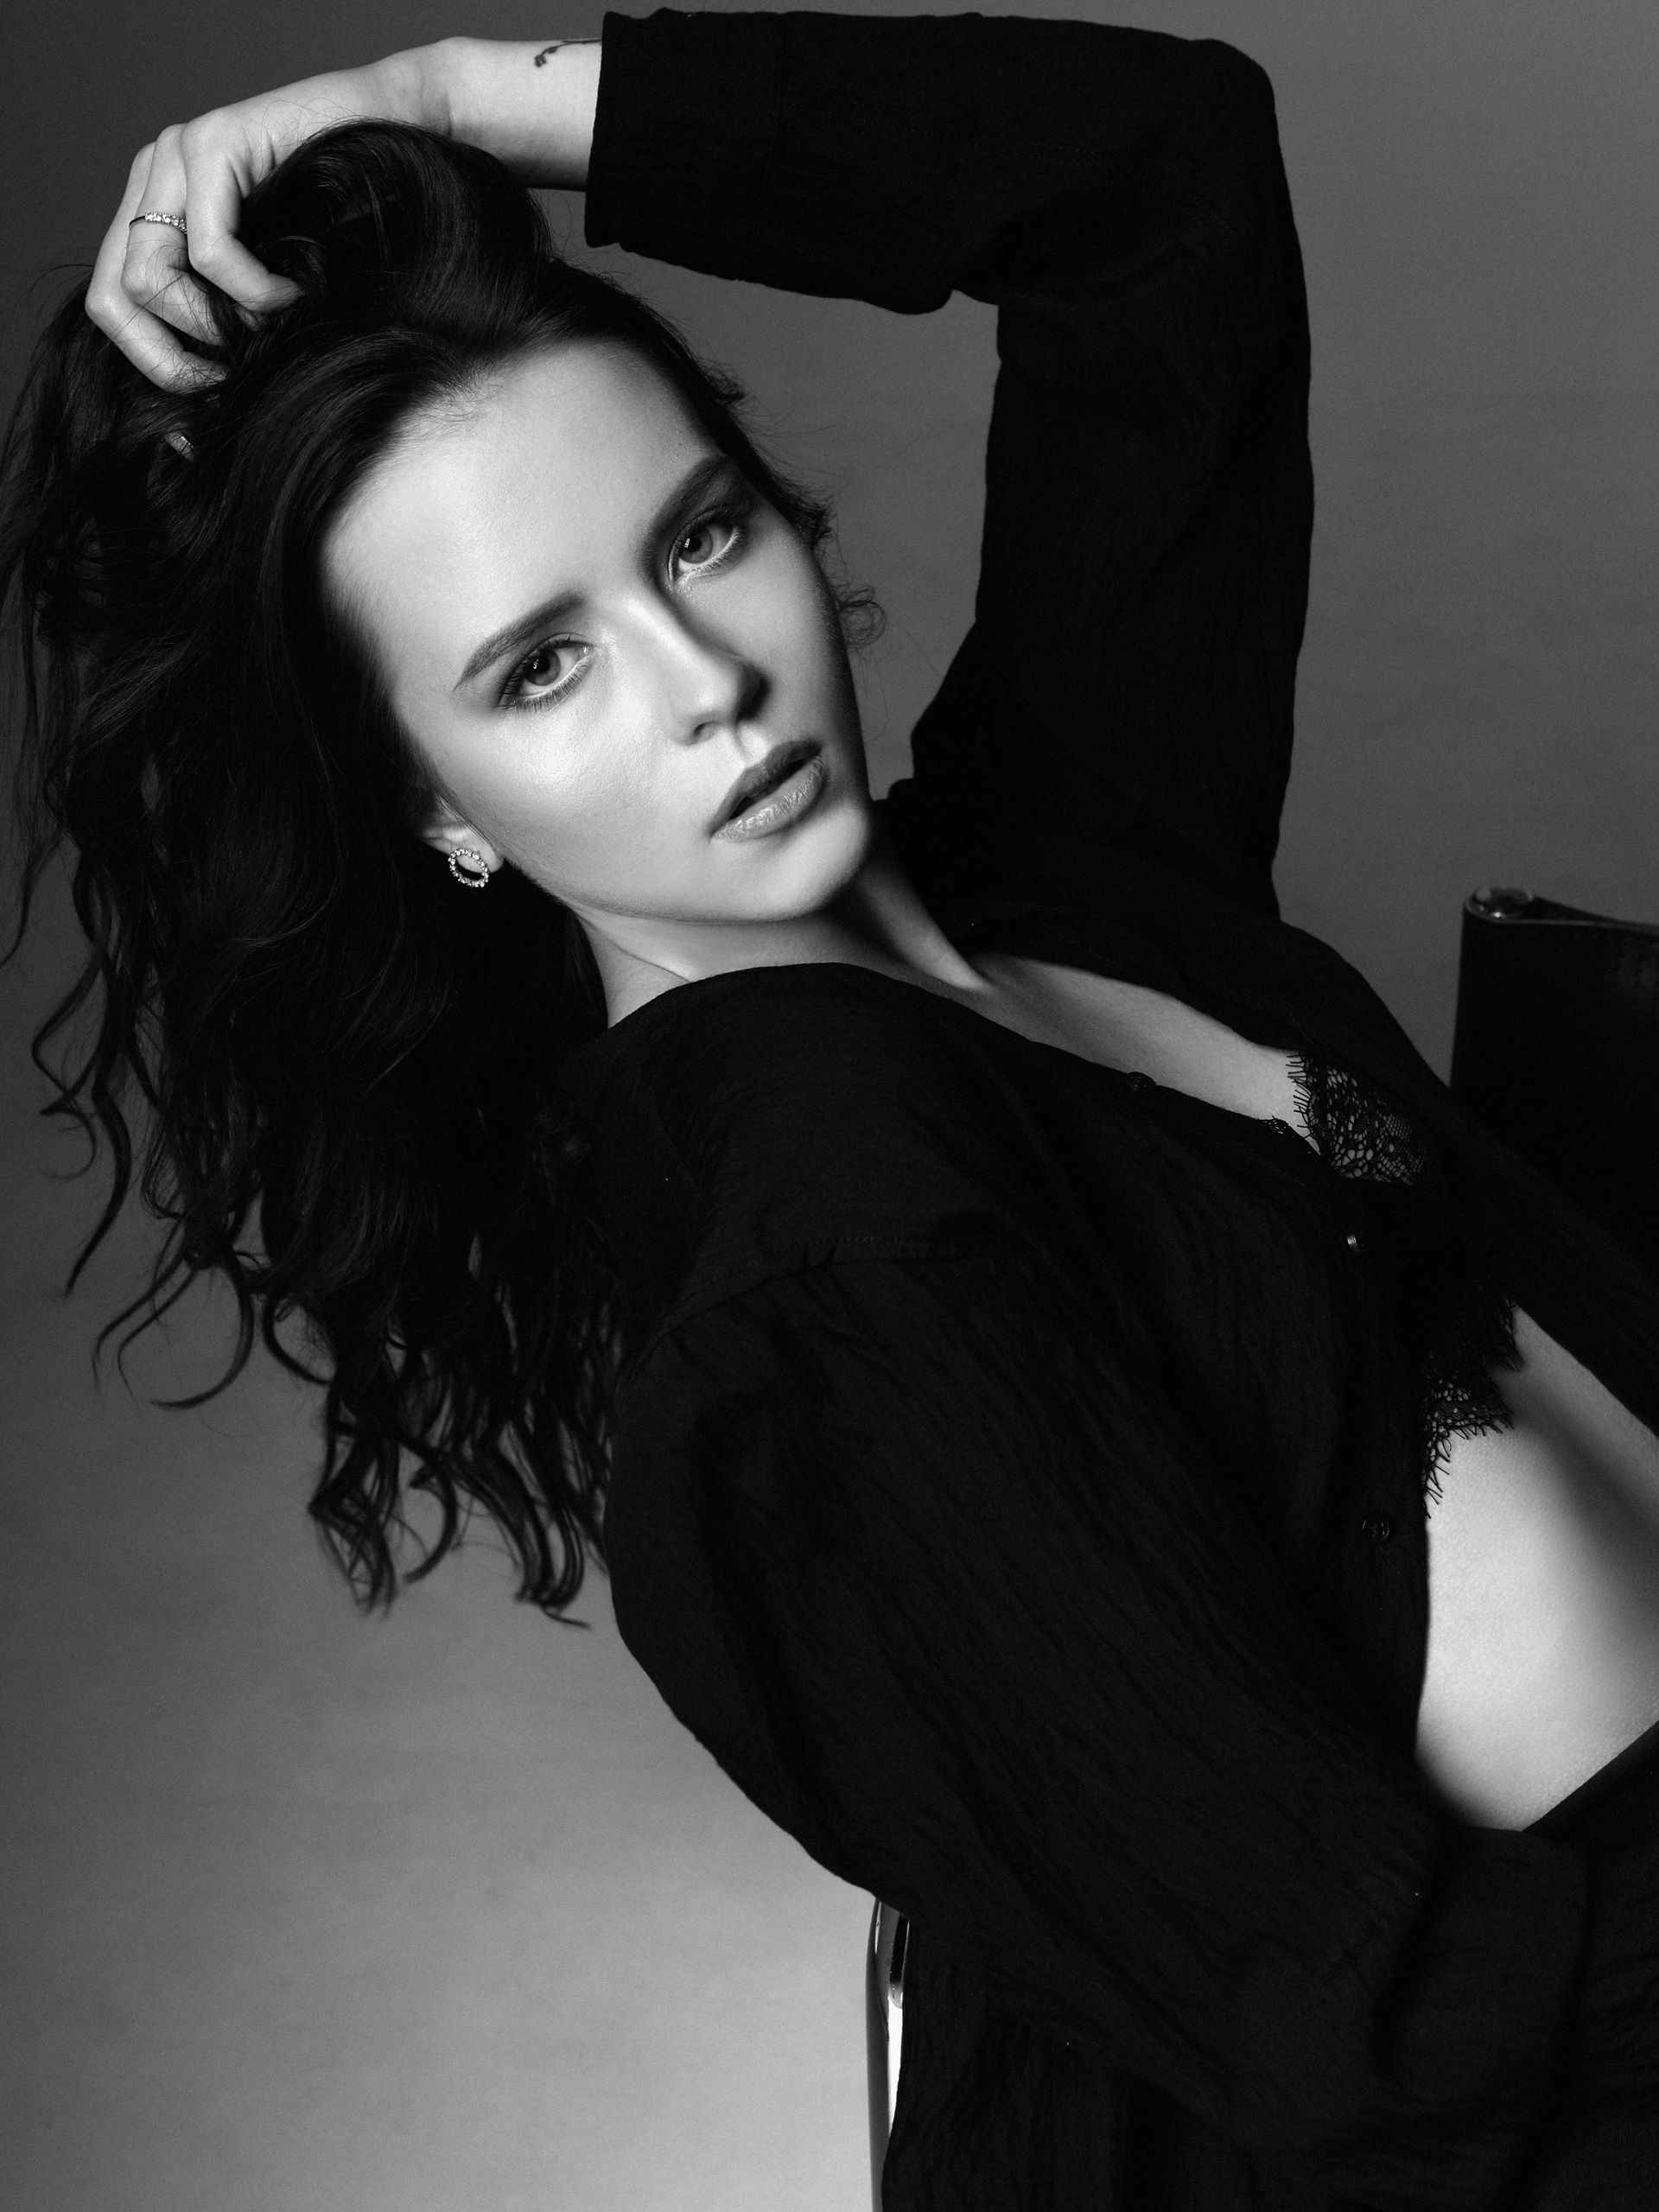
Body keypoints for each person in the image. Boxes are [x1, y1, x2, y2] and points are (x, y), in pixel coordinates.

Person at [6, 12, 1659, 2206]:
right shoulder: (826, 1291)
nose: (711, 688)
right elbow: (1368, 2013)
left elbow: (1160, 187)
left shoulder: (1074, 857)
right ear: (436, 806)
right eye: (541, 666)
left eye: (700, 537)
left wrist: (455, 101)